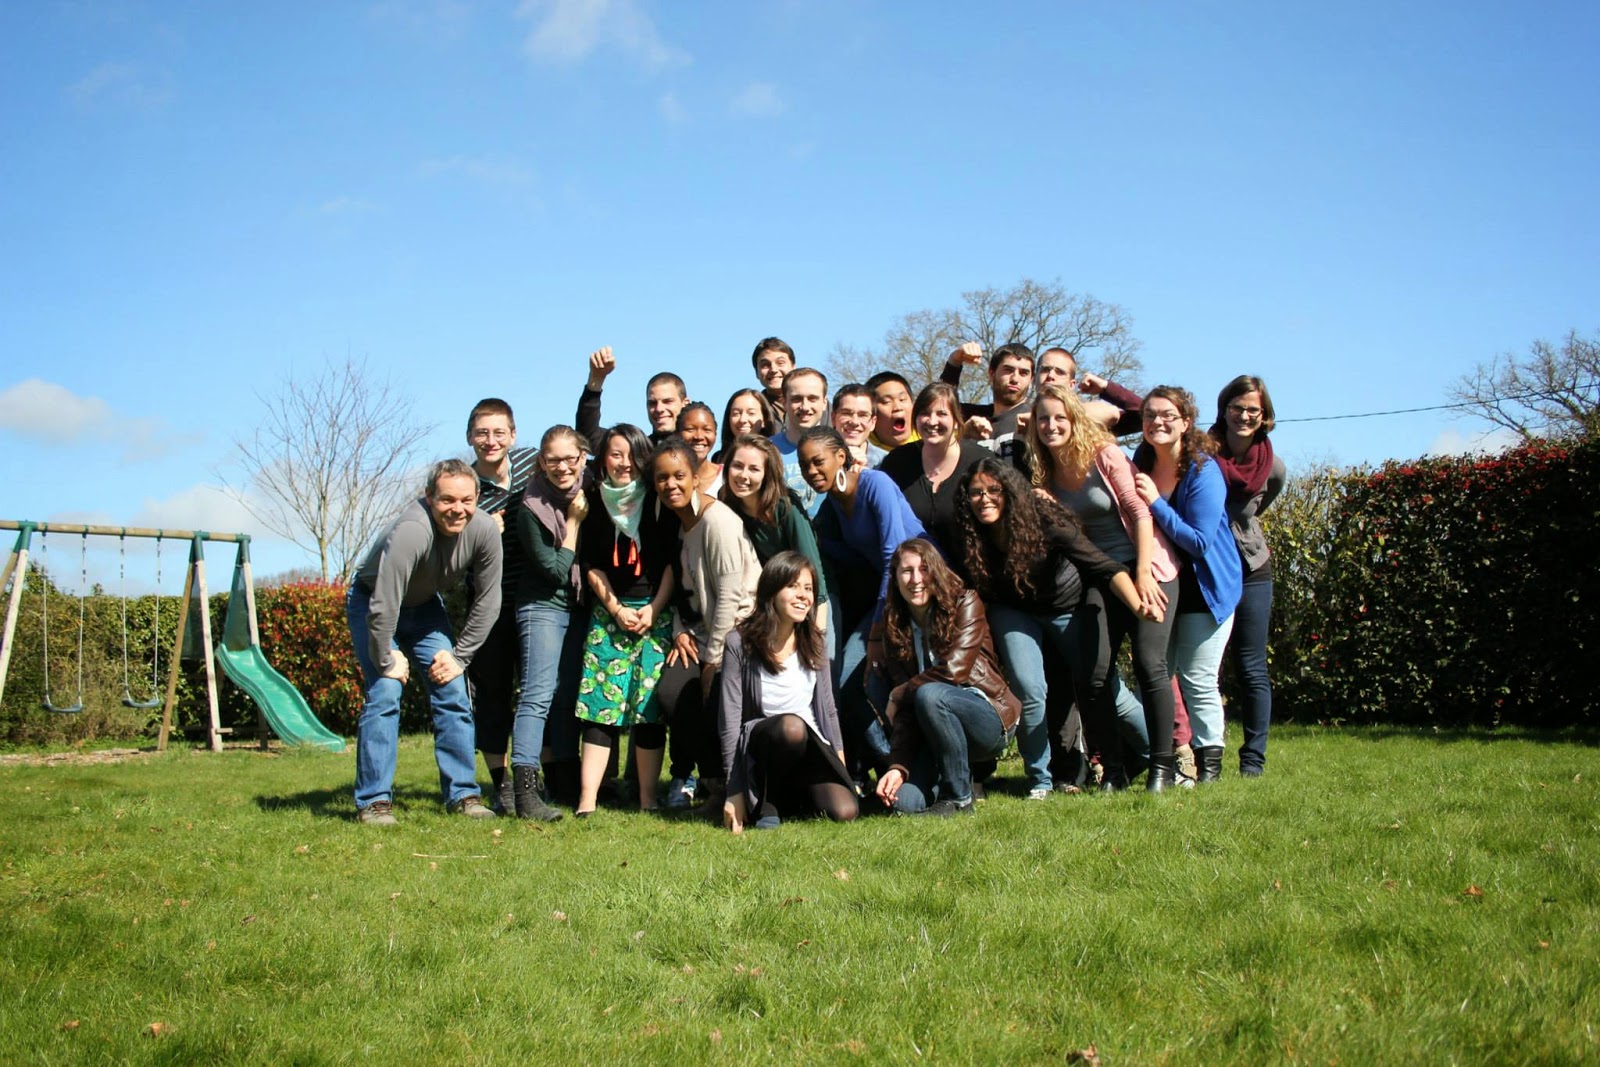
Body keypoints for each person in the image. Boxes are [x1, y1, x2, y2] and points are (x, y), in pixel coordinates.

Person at [956, 458, 1153, 800]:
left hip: (1066, 607)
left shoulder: (1043, 520)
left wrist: (1138, 604)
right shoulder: (970, 531)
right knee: (1029, 689)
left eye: (993, 490)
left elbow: (1103, 565)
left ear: (1010, 492)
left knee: (1106, 687)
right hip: (1014, 610)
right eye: (976, 492)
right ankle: (1040, 781)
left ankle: (1159, 752)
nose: (984, 499)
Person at [1027, 383, 1175, 791]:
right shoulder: (1045, 474)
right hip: (1100, 576)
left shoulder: (1105, 455)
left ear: (1074, 419)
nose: (1052, 425)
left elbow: (1140, 513)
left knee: (1149, 663)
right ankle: (1113, 770)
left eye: (1060, 417)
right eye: (1043, 419)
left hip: (1150, 567)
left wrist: (1143, 572)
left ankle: (1163, 767)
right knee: (1092, 673)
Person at [349, 459, 503, 824]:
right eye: (447, 499)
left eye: (466, 500)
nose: (457, 509)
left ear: (478, 498)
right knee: (386, 690)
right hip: (374, 602)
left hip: (425, 608)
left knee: (452, 686)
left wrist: (460, 657)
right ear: (429, 497)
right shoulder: (412, 530)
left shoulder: (484, 530)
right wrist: (386, 658)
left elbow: (489, 601)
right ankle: (373, 802)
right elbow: (384, 603)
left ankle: (463, 795)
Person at [796, 426, 928, 774]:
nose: (811, 471)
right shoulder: (833, 505)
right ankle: (894, 764)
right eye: (805, 465)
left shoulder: (875, 485)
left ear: (841, 456)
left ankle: (921, 768)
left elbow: (893, 555)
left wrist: (876, 634)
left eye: (818, 462)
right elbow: (853, 557)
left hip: (924, 593)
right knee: (847, 687)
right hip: (892, 600)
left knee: (911, 685)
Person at [1133, 387, 1243, 785]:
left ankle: (1209, 768)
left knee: (1198, 678)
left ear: (1185, 422)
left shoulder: (1202, 470)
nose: (1157, 422)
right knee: (1158, 672)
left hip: (1206, 588)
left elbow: (1198, 541)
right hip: (1164, 585)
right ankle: (1168, 762)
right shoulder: (1142, 462)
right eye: (1149, 415)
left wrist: (1155, 503)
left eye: (1167, 415)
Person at [650, 437, 763, 811]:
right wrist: (679, 630)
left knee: (712, 698)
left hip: (739, 630)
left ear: (696, 478)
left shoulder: (718, 522)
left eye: (679, 475)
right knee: (672, 693)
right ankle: (712, 781)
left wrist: (712, 661)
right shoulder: (680, 525)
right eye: (662, 478)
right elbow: (685, 592)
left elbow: (730, 597)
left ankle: (730, 786)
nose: (671, 485)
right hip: (698, 633)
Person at [870, 539, 1021, 816]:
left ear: (937, 571)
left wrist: (898, 693)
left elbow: (954, 672)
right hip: (934, 732)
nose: (916, 579)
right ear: (895, 578)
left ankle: (959, 799)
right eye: (907, 571)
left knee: (930, 694)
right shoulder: (894, 625)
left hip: (988, 717)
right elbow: (906, 712)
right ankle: (950, 781)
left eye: (924, 569)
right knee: (903, 803)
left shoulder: (966, 602)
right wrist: (898, 765)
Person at [573, 424, 677, 816]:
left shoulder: (658, 499)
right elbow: (590, 563)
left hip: (654, 612)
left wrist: (654, 609)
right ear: (603, 459)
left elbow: (672, 562)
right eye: (615, 454)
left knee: (648, 709)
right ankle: (587, 799)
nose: (624, 463)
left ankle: (648, 798)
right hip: (609, 614)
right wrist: (615, 608)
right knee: (600, 707)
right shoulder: (592, 500)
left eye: (632, 455)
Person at [718, 552, 858, 832]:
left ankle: (792, 797)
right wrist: (734, 791)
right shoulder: (739, 642)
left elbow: (828, 709)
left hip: (811, 746)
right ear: (772, 591)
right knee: (792, 727)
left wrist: (839, 765)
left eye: (808, 588)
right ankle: (769, 801)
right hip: (764, 745)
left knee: (846, 811)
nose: (803, 596)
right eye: (793, 586)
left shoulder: (815, 641)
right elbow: (729, 720)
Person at [510, 425, 592, 821]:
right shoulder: (531, 506)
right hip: (542, 606)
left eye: (569, 459)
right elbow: (557, 571)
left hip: (578, 607)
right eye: (553, 460)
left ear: (582, 458)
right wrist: (573, 523)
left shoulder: (591, 489)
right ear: (542, 462)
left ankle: (563, 782)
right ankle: (525, 792)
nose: (562, 467)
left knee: (566, 697)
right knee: (538, 695)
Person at [463, 397, 540, 814]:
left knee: (536, 691)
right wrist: (476, 533)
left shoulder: (532, 464)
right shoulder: (464, 488)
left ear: (513, 435)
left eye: (498, 432)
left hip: (535, 601)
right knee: (493, 696)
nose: (490, 440)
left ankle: (536, 776)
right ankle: (502, 783)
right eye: (482, 433)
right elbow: (446, 550)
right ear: (470, 437)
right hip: (487, 608)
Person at [1207, 376, 1285, 777]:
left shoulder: (1273, 465)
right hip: (1208, 570)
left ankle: (1253, 762)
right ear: (1224, 409)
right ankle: (1202, 755)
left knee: (1252, 667)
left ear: (1264, 415)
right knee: (1203, 668)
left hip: (1252, 569)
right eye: (1237, 407)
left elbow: (1255, 511)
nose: (1244, 415)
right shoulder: (1201, 454)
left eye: (1253, 409)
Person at [719, 433, 832, 634]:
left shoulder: (785, 506)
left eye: (754, 469)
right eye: (737, 466)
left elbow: (812, 567)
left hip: (814, 595)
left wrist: (817, 628)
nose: (743, 475)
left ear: (767, 474)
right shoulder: (727, 504)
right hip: (770, 600)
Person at [878, 382, 988, 562]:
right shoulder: (897, 462)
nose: (932, 421)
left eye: (941, 414)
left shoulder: (981, 462)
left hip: (971, 574)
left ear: (956, 420)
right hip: (914, 574)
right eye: (924, 413)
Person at [939, 342, 1034, 467]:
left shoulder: (1035, 419)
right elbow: (939, 405)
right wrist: (954, 362)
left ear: (1031, 380)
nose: (1015, 379)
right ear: (991, 373)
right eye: (1008, 370)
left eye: (1023, 373)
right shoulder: (972, 419)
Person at [575, 345, 689, 448]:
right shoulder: (640, 451)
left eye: (668, 401)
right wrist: (596, 379)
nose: (659, 409)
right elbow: (588, 436)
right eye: (652, 403)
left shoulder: (697, 446)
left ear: (685, 404)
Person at [769, 367, 831, 514]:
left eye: (812, 398)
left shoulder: (840, 450)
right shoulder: (766, 450)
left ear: (824, 403)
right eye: (796, 399)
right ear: (784, 402)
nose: (805, 407)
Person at [715, 388, 779, 464]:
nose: (742, 420)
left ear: (764, 420)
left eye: (751, 413)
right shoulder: (717, 459)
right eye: (736, 413)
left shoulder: (777, 456)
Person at [831, 383, 885, 469]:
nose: (854, 422)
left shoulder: (887, 463)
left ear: (873, 422)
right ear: (833, 418)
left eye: (863, 415)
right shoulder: (815, 457)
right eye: (846, 413)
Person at [675, 401, 722, 495]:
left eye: (707, 430)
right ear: (677, 435)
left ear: (715, 435)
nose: (699, 436)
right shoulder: (669, 479)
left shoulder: (727, 477)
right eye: (690, 429)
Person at [865, 371, 918, 453]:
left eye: (902, 399)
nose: (898, 407)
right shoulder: (862, 454)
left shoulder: (932, 446)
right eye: (887, 402)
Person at [750, 336, 796, 423]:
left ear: (793, 367)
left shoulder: (814, 403)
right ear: (757, 372)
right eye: (765, 365)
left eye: (780, 363)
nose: (773, 370)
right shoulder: (754, 409)